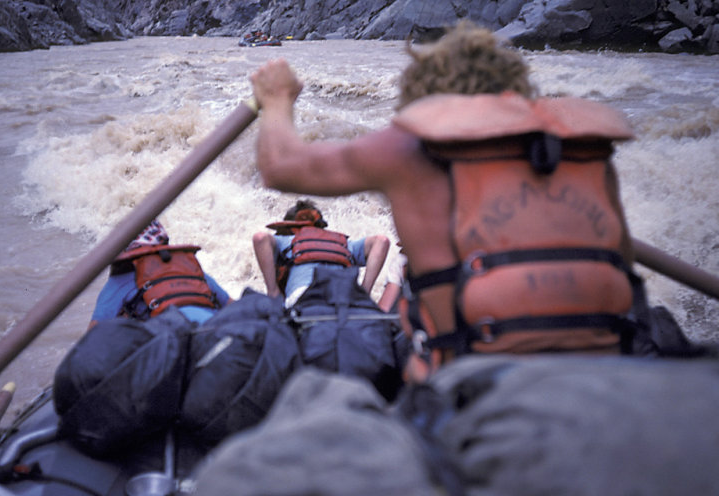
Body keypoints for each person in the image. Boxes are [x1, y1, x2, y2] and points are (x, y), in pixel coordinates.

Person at [250, 22, 648, 380]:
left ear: (424, 98)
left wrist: (278, 97)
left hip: (479, 381)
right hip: (610, 368)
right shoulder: (582, 152)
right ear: (514, 88)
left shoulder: (407, 150)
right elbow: (624, 266)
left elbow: (280, 166)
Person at [89, 219, 231, 329]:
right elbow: (233, 306)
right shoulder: (190, 270)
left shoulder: (120, 280)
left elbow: (92, 337)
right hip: (216, 332)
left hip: (171, 344)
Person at [253, 199, 390, 308]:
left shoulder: (287, 241)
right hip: (344, 299)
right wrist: (364, 293)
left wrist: (272, 291)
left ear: (289, 227)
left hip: (304, 296)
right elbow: (382, 241)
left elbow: (260, 238)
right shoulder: (344, 244)